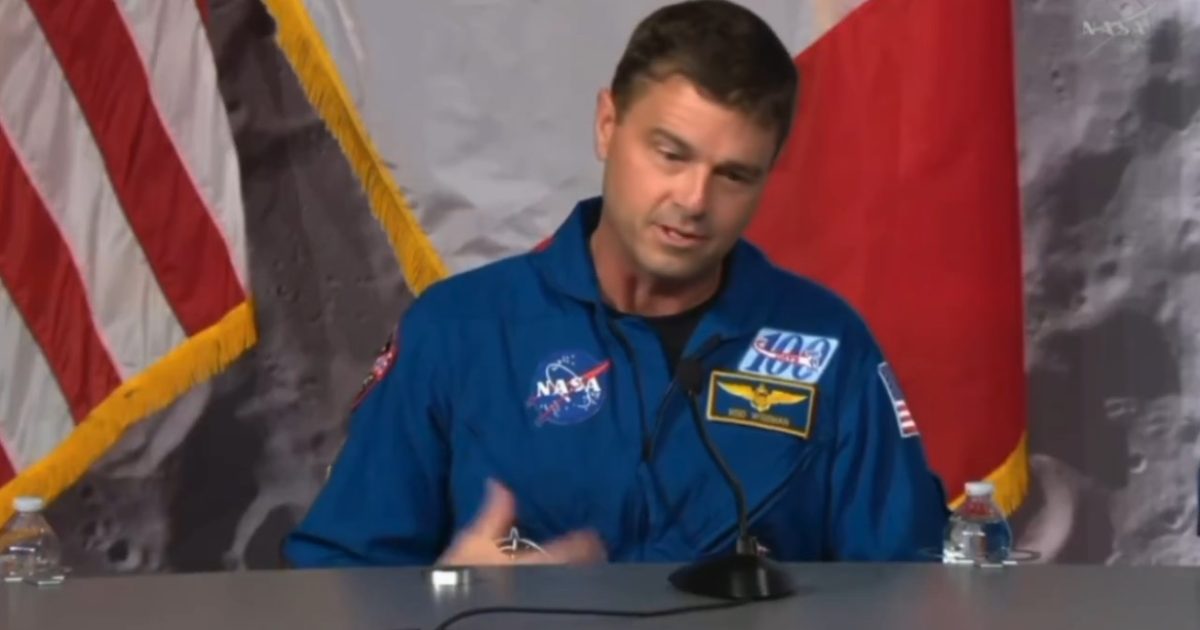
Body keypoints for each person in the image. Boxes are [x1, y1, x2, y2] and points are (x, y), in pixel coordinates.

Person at [284, 0, 949, 568]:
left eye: (734, 175)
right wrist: (445, 593)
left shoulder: (828, 344)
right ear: (608, 125)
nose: (694, 200)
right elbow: (335, 583)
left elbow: (908, 591)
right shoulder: (459, 331)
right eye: (670, 154)